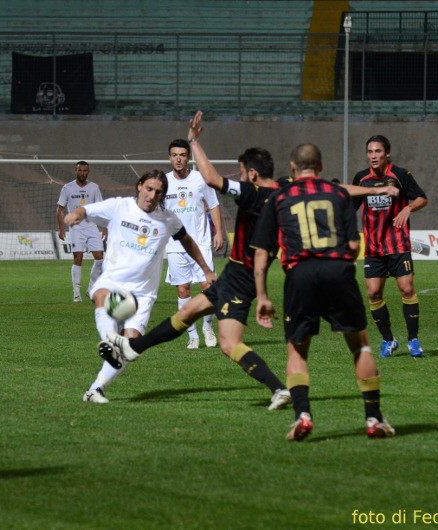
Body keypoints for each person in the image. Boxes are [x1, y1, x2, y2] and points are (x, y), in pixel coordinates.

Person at [105, 110, 293, 411]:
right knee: (188, 311)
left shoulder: (255, 192)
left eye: (242, 172)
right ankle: (132, 347)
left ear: (252, 174)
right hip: (236, 273)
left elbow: (210, 178)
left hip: (241, 278)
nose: (240, 177)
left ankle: (280, 389)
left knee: (229, 344)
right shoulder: (284, 195)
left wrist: (194, 140)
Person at [252, 143, 396, 442]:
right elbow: (355, 245)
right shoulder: (338, 194)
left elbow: (263, 254)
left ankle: (303, 415)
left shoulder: (279, 197)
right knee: (361, 346)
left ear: (292, 167)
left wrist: (263, 296)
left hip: (300, 274)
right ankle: (373, 419)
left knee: (297, 348)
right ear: (321, 166)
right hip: (337, 271)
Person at [64, 169, 216, 404]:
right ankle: (111, 340)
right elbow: (87, 210)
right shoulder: (119, 207)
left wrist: (206, 269)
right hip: (113, 281)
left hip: (143, 294)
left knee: (131, 346)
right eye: (149, 189)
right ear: (139, 186)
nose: (152, 195)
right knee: (102, 296)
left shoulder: (167, 219)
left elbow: (187, 241)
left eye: (158, 192)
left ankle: (95, 389)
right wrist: (75, 213)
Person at [352, 135, 429, 358]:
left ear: (387, 154)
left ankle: (413, 340)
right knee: (374, 293)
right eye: (369, 152)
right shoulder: (361, 178)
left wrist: (409, 208)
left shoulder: (401, 175)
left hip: (398, 244)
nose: (373, 156)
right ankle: (388, 340)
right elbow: (351, 206)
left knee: (406, 288)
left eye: (377, 151)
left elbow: (422, 198)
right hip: (374, 248)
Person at [164, 138, 224, 349]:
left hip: (201, 242)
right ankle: (192, 335)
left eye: (182, 155)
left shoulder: (200, 179)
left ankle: (207, 328)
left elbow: (214, 205)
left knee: (207, 285)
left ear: (189, 158)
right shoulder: (163, 182)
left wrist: (219, 232)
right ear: (169, 158)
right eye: (174, 155)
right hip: (175, 245)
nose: (178, 159)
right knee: (183, 289)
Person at [56, 161, 105, 302]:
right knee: (78, 258)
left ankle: (91, 288)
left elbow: (102, 208)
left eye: (85, 170)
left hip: (91, 226)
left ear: (88, 172)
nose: (82, 173)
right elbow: (59, 208)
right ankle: (76, 292)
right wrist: (61, 227)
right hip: (76, 227)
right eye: (80, 170)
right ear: (75, 171)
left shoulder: (94, 187)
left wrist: (105, 227)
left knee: (100, 259)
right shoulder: (68, 188)